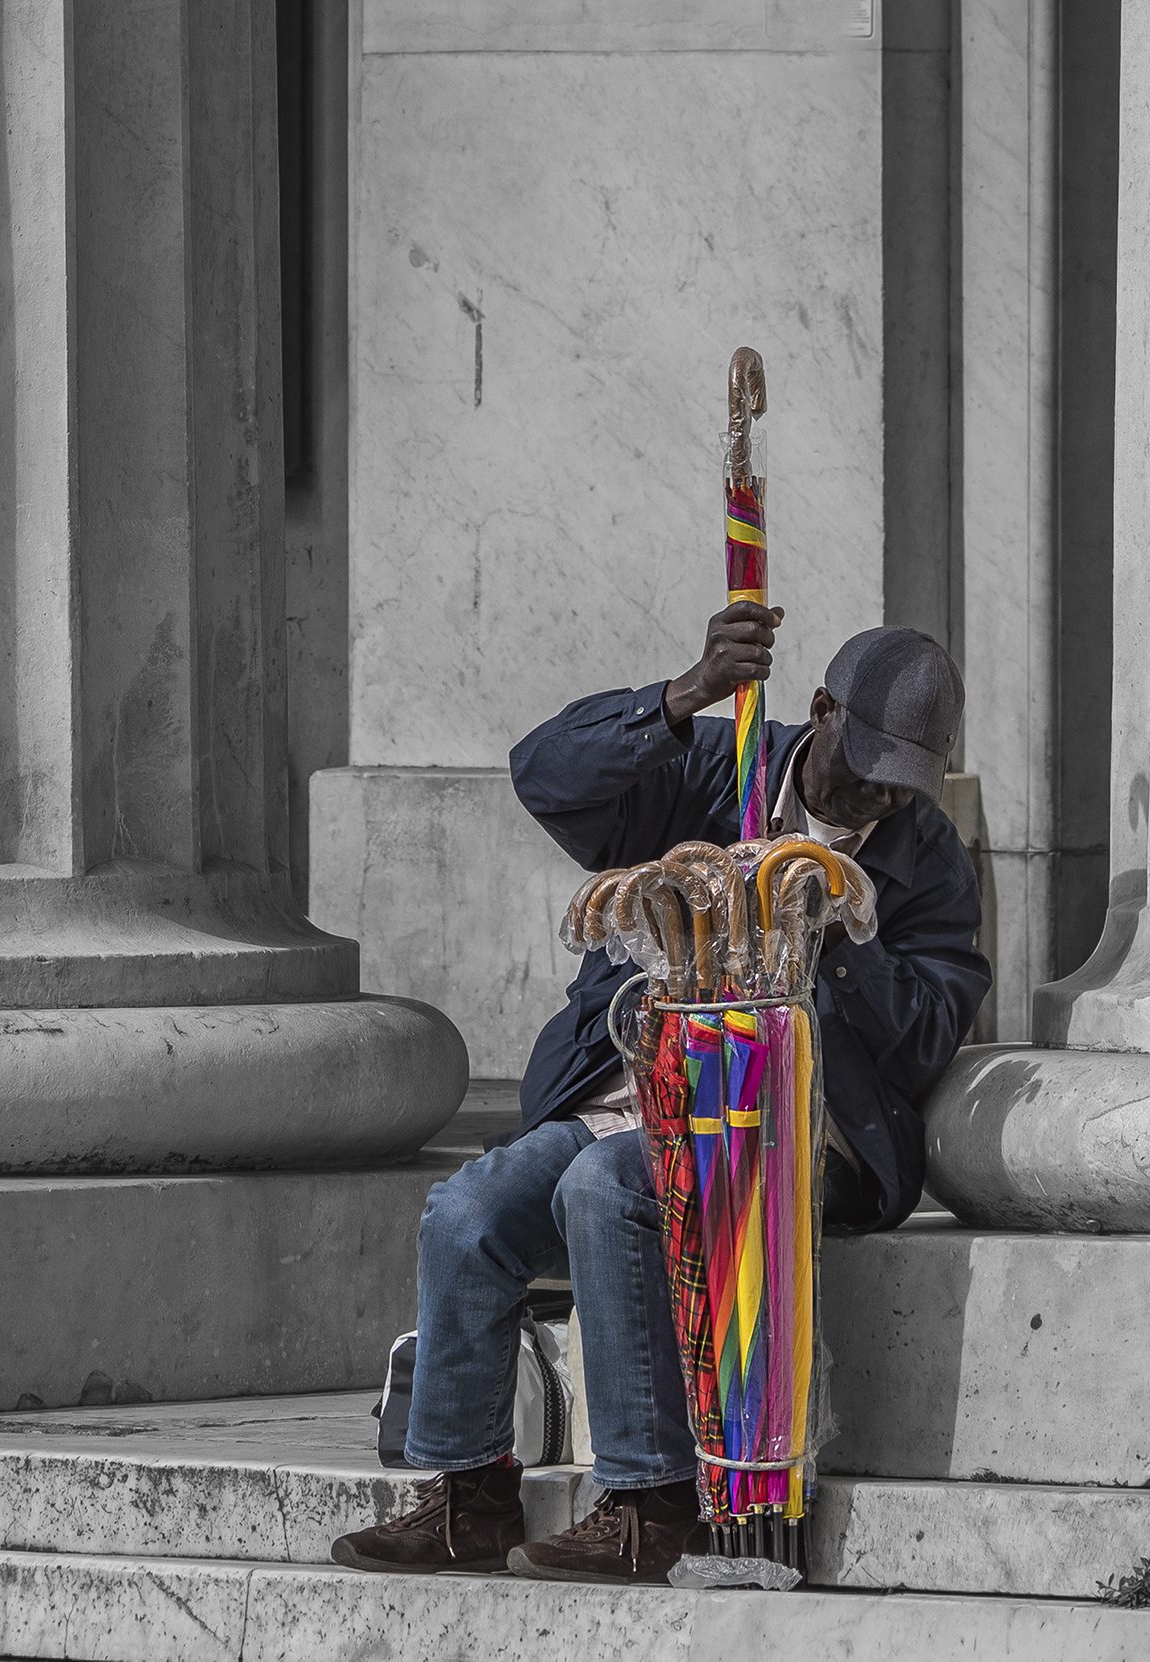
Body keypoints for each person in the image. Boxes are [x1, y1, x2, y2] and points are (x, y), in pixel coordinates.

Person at [331, 604, 990, 1585]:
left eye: (904, 785)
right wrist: (684, 696)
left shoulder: (922, 849)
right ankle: (466, 1499)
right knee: (469, 1208)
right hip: (638, 1088)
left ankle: (645, 1507)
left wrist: (830, 922)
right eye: (867, 771)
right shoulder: (717, 770)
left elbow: (932, 1030)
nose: (882, 801)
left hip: (798, 1123)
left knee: (610, 1184)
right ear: (821, 712)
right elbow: (544, 775)